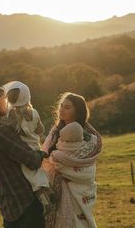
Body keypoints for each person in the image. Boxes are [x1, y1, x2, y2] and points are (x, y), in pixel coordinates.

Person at [0, 84, 47, 228]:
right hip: (25, 204)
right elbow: (32, 160)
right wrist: (43, 153)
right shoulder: (2, 132)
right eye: (3, 99)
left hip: (7, 206)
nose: (7, 103)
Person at [42, 92, 102, 228]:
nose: (62, 109)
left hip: (77, 190)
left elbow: (82, 162)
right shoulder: (55, 132)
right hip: (54, 187)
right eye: (61, 106)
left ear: (78, 111)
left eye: (67, 107)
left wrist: (59, 162)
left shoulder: (86, 137)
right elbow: (44, 155)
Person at [3, 81, 54, 213]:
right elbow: (40, 130)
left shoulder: (12, 116)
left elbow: (10, 133)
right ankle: (50, 192)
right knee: (40, 174)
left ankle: (46, 204)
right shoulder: (35, 112)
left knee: (33, 182)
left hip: (26, 152)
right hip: (37, 148)